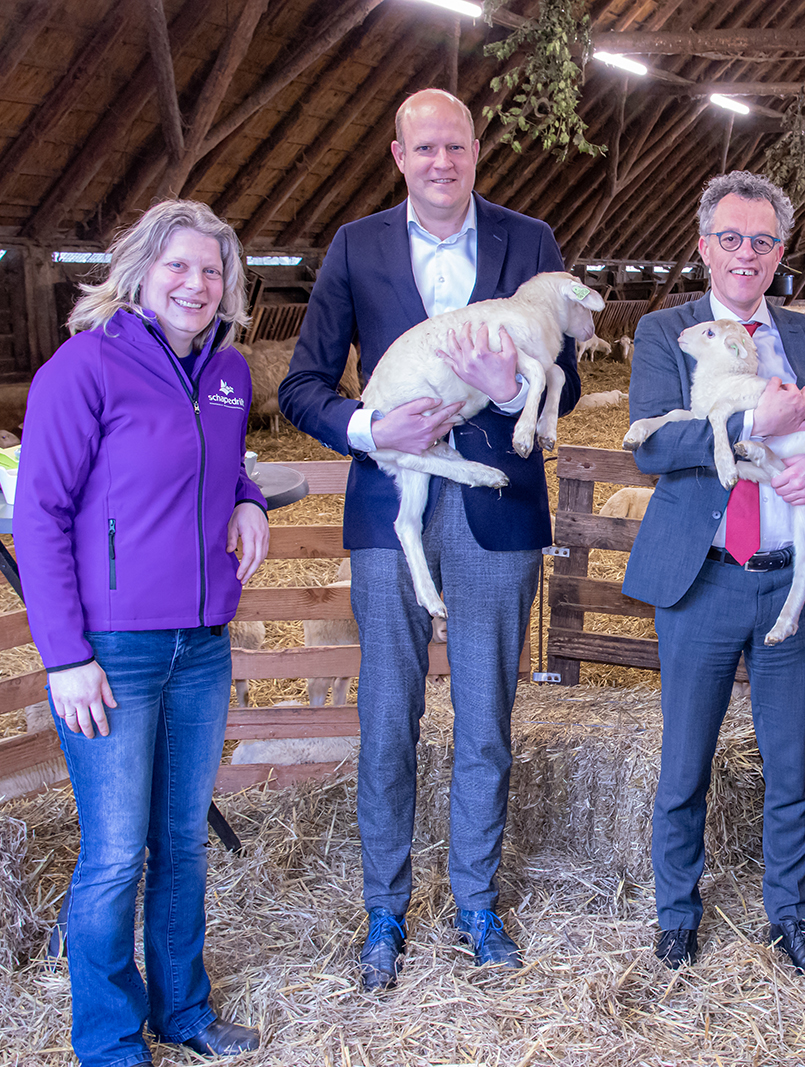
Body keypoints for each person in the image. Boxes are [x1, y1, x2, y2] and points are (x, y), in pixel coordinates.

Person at [277, 88, 580, 988]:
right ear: (398, 155)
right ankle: (385, 910)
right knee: (386, 717)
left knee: (486, 713)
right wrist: (372, 429)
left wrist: (517, 380)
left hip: (499, 501)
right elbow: (303, 385)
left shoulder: (531, 243)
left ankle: (476, 901)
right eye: (425, 148)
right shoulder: (355, 246)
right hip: (393, 504)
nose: (442, 162)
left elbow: (571, 361)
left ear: (476, 151)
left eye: (456, 145)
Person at [623, 171, 805, 984]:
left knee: (792, 764)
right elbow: (651, 446)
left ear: (780, 252)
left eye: (761, 241)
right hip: (704, 579)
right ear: (703, 245)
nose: (744, 255)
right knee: (685, 761)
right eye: (730, 238)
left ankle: (791, 916)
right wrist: (756, 422)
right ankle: (677, 913)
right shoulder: (666, 332)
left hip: (790, 581)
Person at [13, 199, 269, 1067]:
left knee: (184, 839)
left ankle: (184, 1010)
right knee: (117, 853)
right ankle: (112, 1040)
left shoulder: (228, 372)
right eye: (180, 266)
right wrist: (65, 656)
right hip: (112, 649)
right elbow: (39, 513)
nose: (196, 284)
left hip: (201, 645)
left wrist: (249, 497)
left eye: (212, 271)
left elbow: (226, 463)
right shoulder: (84, 368)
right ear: (140, 270)